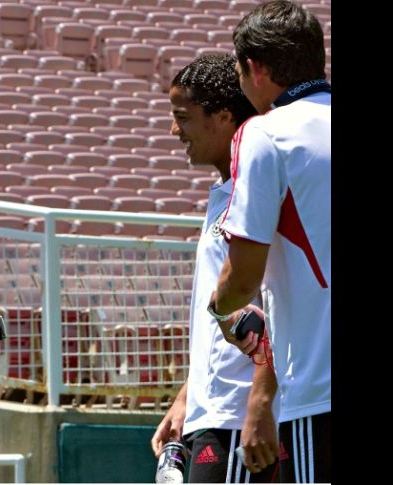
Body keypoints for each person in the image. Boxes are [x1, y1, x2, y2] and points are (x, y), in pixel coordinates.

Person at [207, 1, 331, 482]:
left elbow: (242, 279)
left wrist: (221, 310)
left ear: (254, 68)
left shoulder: (265, 133)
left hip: (319, 387)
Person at [149, 54, 270, 483]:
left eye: (183, 117)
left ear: (222, 117)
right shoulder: (223, 193)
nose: (174, 130)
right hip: (213, 412)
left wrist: (258, 405)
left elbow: (275, 313)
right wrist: (189, 395)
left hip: (239, 418)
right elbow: (217, 319)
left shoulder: (255, 195)